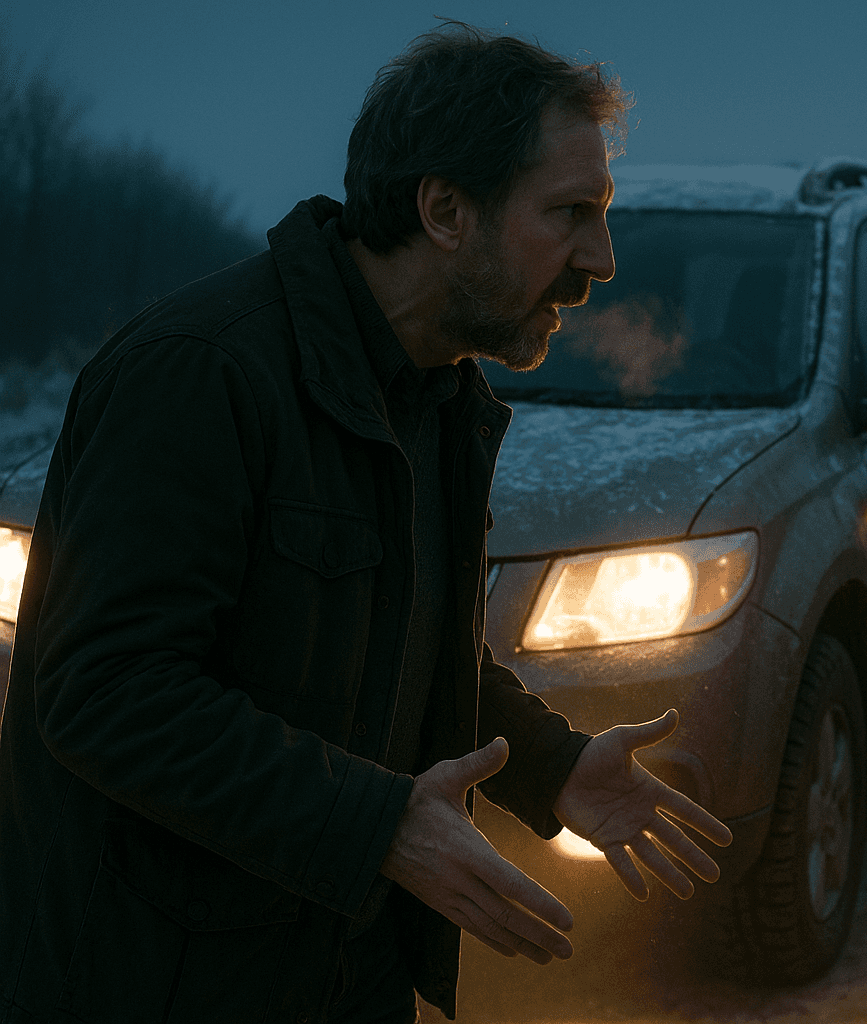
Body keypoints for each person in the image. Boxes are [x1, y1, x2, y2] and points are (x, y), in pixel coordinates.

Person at [0, 25, 731, 1023]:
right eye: (571, 213)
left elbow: (399, 645)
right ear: (444, 209)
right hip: (155, 984)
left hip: (342, 977)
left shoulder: (437, 395)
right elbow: (105, 690)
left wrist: (553, 762)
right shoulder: (199, 374)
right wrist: (379, 823)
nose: (601, 259)